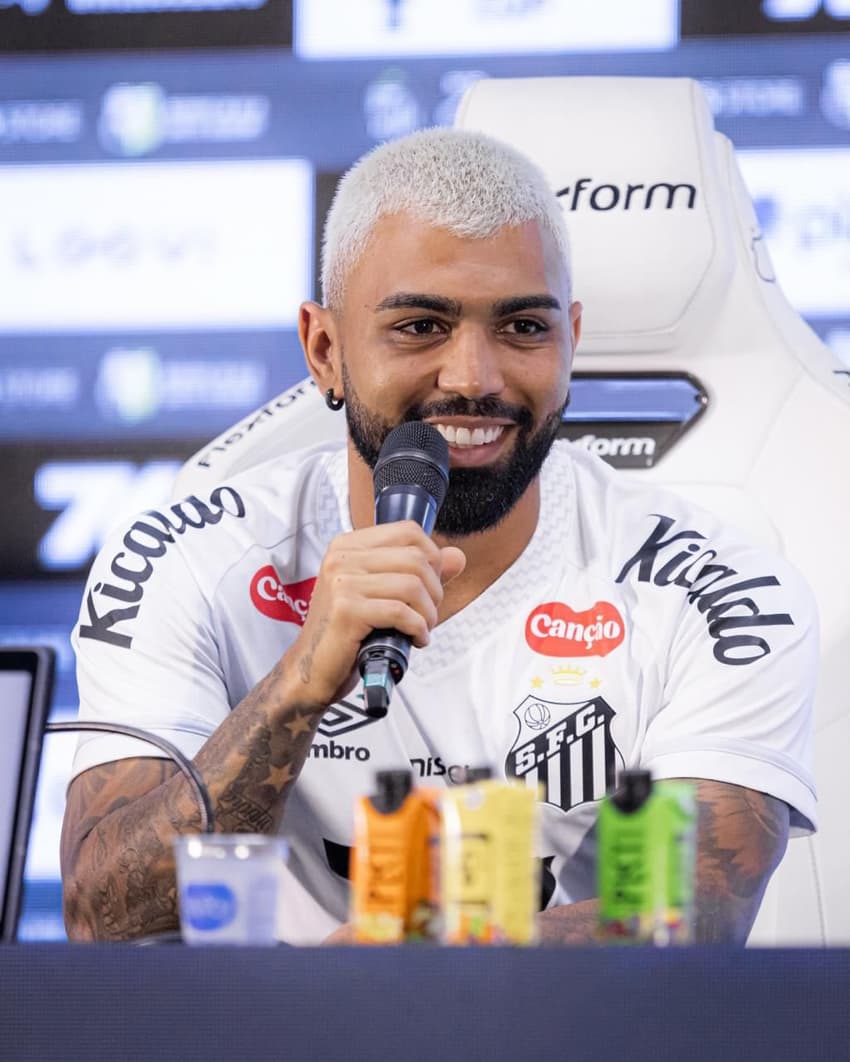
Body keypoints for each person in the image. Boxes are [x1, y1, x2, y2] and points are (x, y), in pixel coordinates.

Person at [61, 128, 817, 946]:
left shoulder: (718, 590)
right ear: (325, 350)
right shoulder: (187, 557)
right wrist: (298, 685)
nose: (474, 379)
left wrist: (388, 983)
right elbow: (100, 921)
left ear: (572, 342)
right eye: (421, 326)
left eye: (523, 328)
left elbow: (695, 921)